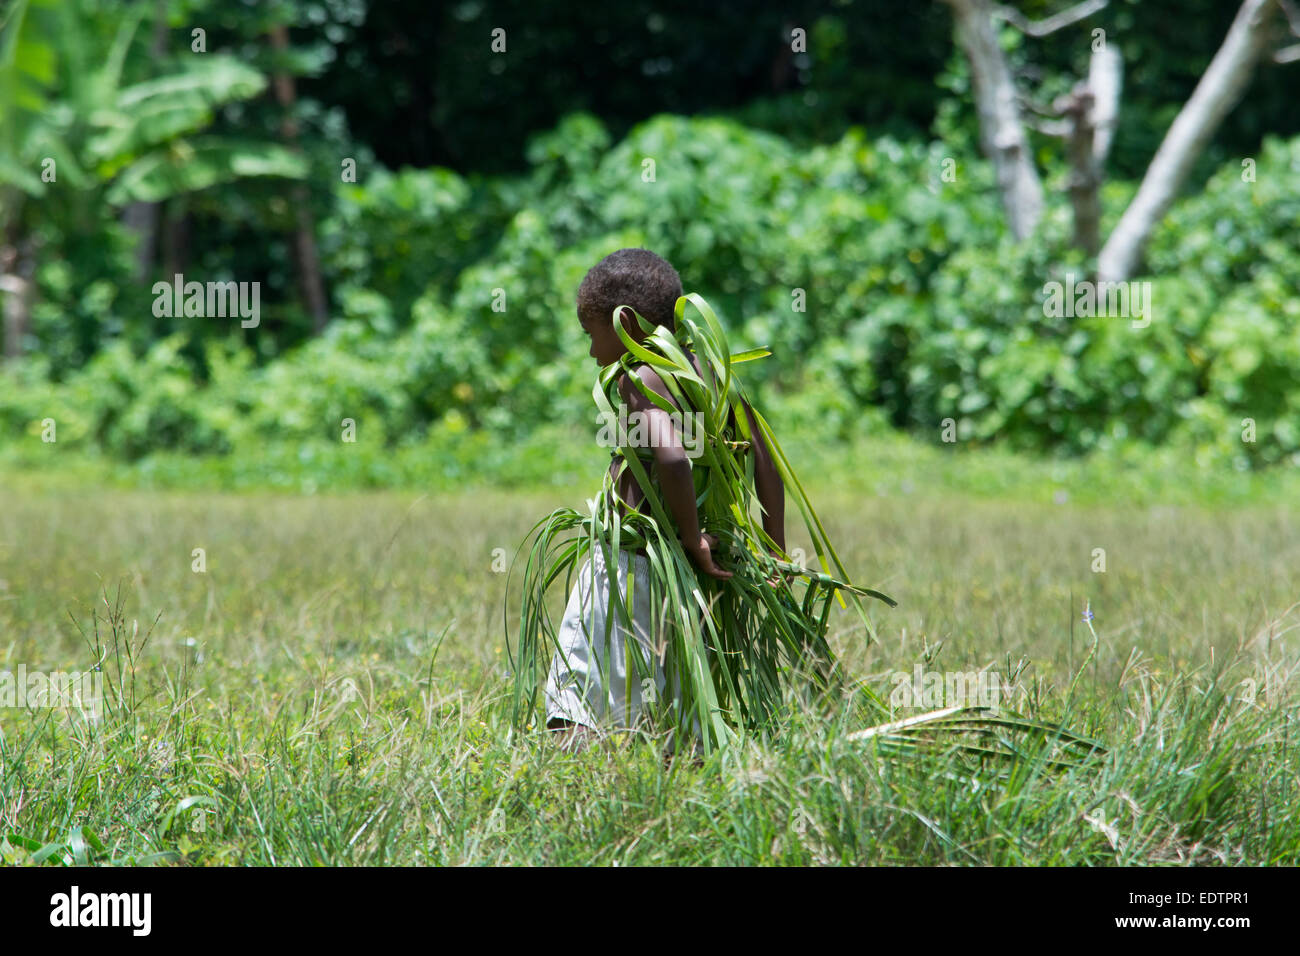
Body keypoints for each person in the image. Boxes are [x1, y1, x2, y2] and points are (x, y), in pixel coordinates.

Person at [542, 247, 788, 754]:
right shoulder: (715, 376)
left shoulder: (640, 376)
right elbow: (766, 465)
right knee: (675, 695)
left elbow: (671, 458)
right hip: (686, 580)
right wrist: (774, 547)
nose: (592, 353)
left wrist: (691, 536)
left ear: (625, 322)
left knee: (581, 690)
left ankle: (574, 782)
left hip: (627, 565)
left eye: (593, 336)